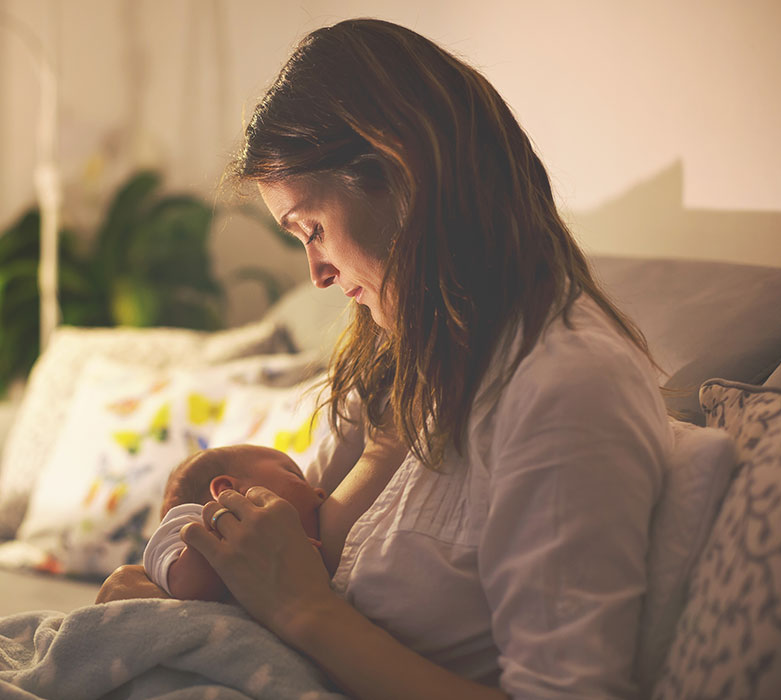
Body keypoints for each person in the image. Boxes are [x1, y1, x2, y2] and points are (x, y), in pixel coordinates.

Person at [97, 18, 671, 700]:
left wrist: (304, 612)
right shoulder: (394, 364)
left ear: (398, 174)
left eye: (311, 228)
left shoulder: (566, 391)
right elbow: (278, 547)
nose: (316, 273)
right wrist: (176, 586)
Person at [140, 444, 326, 602]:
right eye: (294, 474)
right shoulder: (189, 522)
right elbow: (181, 581)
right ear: (227, 491)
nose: (320, 492)